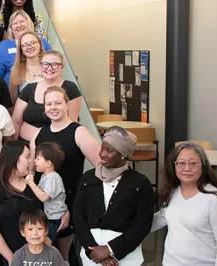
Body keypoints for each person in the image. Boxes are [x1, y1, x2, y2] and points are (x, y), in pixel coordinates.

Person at [30, 86, 101, 262]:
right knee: (43, 253)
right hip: (42, 202)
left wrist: (74, 206)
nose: (53, 107)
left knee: (63, 255)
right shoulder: (39, 133)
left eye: (57, 103)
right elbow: (31, 168)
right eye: (49, 104)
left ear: (66, 105)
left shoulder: (78, 132)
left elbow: (101, 168)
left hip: (67, 203)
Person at [74, 127, 154, 266]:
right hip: (91, 254)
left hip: (127, 255)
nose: (102, 154)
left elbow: (143, 224)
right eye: (102, 148)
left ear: (123, 154)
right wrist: (92, 250)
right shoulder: (88, 178)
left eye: (109, 150)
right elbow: (78, 215)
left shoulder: (140, 183)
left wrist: (111, 250)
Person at [151, 142, 217, 265]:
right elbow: (160, 219)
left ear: (202, 166)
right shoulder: (173, 192)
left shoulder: (215, 199)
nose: (187, 168)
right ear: (174, 166)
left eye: (193, 163)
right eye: (181, 163)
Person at [0, 141, 44, 265]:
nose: (31, 161)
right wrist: (12, 259)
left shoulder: (34, 183)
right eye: (27, 157)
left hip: (42, 255)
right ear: (14, 158)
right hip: (13, 257)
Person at [12, 51, 82, 142]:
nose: (49, 68)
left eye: (55, 64)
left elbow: (73, 121)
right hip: (25, 146)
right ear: (40, 66)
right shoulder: (29, 88)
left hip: (54, 147)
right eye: (45, 64)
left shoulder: (70, 88)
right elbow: (16, 122)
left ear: (61, 67)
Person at [0, 10, 52, 88]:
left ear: (29, 24)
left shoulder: (42, 42)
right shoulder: (3, 46)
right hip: (13, 91)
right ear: (11, 27)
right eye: (15, 23)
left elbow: (53, 64)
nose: (19, 25)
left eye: (22, 21)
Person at [25, 142, 67, 248]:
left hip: (54, 218)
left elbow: (44, 197)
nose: (35, 161)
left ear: (48, 163)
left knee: (45, 243)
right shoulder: (45, 176)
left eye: (38, 158)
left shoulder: (53, 177)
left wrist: (31, 183)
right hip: (49, 216)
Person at [8, 31, 46, 99]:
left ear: (39, 45)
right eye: (25, 45)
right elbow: (13, 101)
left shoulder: (50, 66)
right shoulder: (16, 70)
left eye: (33, 43)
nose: (29, 47)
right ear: (21, 49)